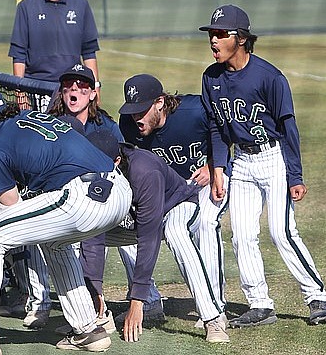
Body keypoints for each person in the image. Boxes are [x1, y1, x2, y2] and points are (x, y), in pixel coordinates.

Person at [0, 82, 132, 355]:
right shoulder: (29, 116)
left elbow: (10, 208)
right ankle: (88, 330)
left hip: (82, 196)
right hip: (119, 191)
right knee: (54, 242)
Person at [198, 4, 326, 328]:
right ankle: (259, 304)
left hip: (273, 157)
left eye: (220, 34)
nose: (213, 41)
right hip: (240, 162)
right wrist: (219, 169)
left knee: (282, 231)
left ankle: (317, 297)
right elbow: (216, 127)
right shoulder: (211, 78)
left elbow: (288, 128)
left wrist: (295, 175)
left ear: (240, 39)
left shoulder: (269, 77)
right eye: (211, 35)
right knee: (241, 235)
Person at [81, 131, 230, 344]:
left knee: (175, 232)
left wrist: (135, 301)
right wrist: (96, 292)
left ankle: (213, 318)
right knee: (77, 233)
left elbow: (148, 238)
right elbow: (91, 230)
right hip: (133, 216)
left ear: (117, 160)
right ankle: (102, 311)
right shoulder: (85, 171)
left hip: (176, 205)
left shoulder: (144, 170)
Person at [49, 64, 163, 330]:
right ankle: (68, 305)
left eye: (82, 86)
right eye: (68, 86)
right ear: (61, 92)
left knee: (127, 230)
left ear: (92, 94)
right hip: (67, 203)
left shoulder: (108, 127)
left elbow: (124, 169)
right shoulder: (51, 125)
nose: (74, 90)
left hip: (107, 202)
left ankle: (148, 299)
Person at [118, 73, 229, 318]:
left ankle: (216, 307)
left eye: (141, 110)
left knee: (206, 226)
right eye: (132, 111)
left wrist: (214, 166)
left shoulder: (194, 111)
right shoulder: (128, 124)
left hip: (208, 180)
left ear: (160, 102)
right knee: (125, 230)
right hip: (170, 191)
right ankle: (148, 302)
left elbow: (221, 131)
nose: (136, 117)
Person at [9, 0, 100, 103]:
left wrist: (95, 86)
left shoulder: (80, 4)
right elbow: (19, 54)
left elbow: (89, 51)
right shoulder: (26, 6)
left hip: (73, 85)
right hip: (36, 86)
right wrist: (20, 92)